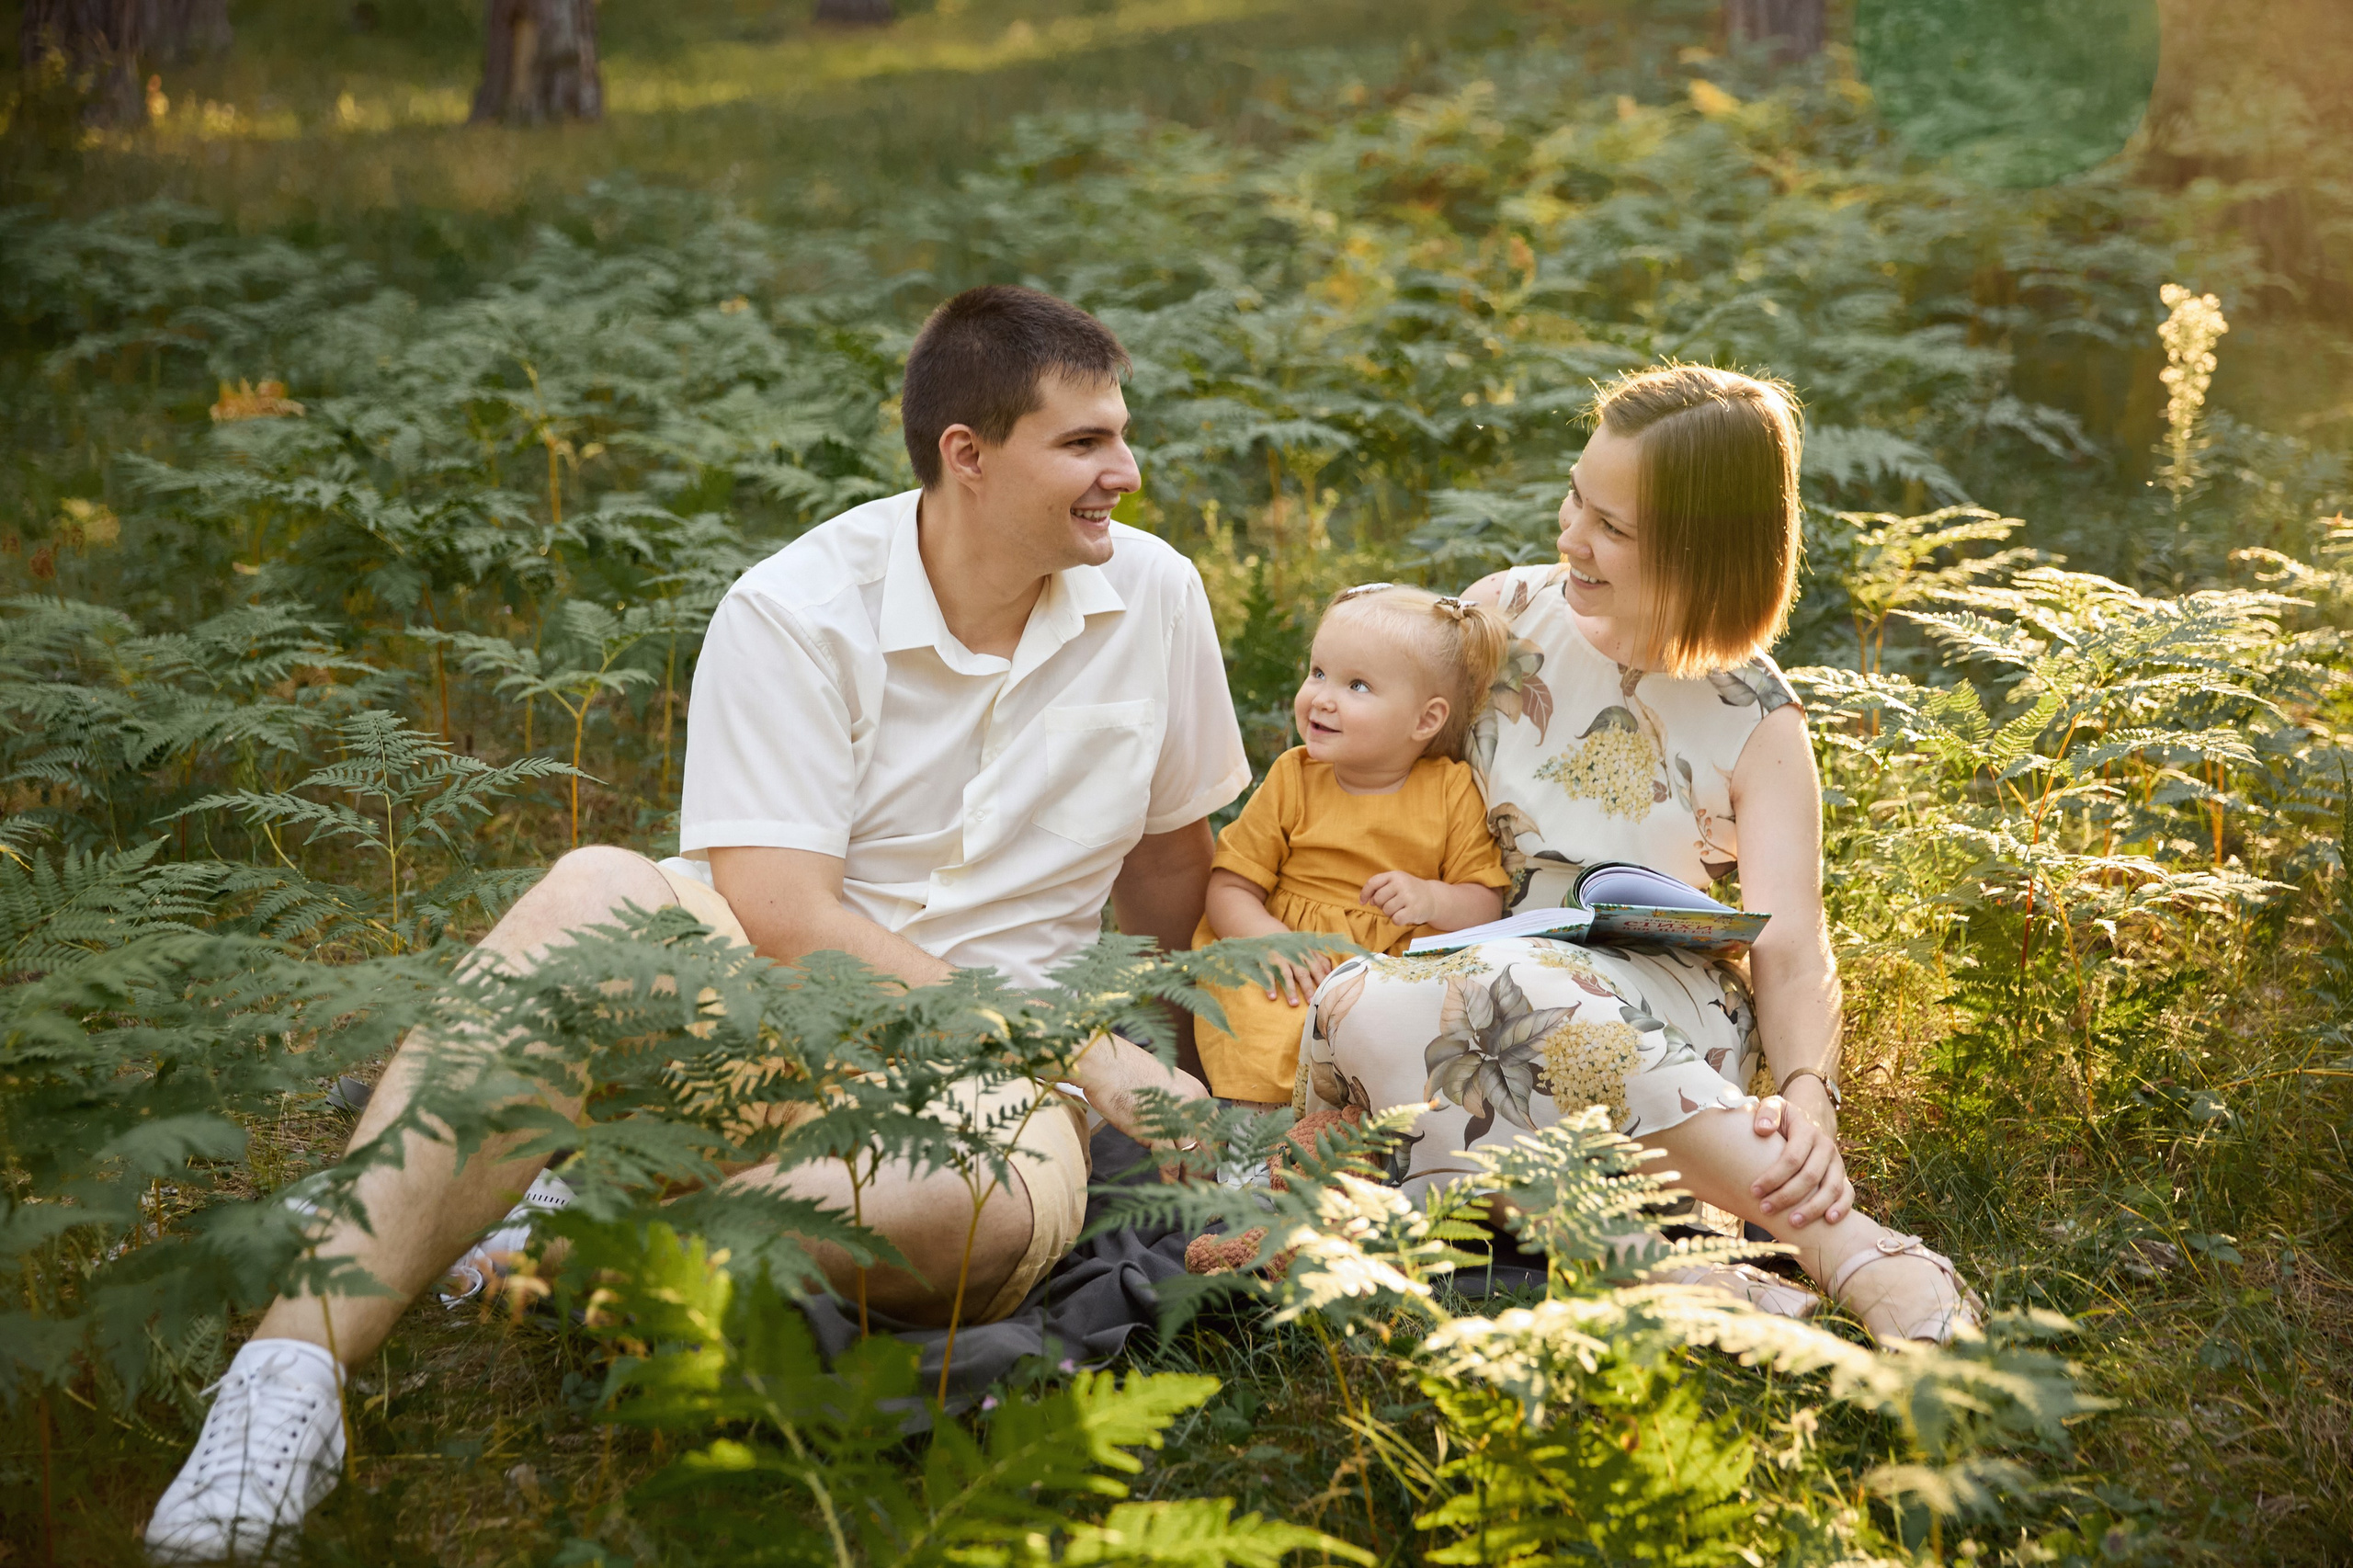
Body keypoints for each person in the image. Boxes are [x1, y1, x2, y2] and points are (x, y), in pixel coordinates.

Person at [143, 286, 1248, 1561]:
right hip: (776, 1018)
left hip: (989, 1095)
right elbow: (781, 914)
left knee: (973, 1209)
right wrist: (1069, 1040)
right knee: (595, 887)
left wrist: (1148, 1049)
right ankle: (286, 1382)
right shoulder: (797, 607)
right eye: (1087, 442)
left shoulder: (1156, 594)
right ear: (968, 453)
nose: (1127, 468)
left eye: (1122, 433)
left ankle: (540, 1221)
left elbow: (1172, 860)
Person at [1294, 364, 1984, 1345]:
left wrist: (1806, 1099)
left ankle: (1850, 1246)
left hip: (1657, 1008)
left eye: (1612, 527)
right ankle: (1680, 1269)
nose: (1571, 535)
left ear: (1704, 552)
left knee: (1497, 990)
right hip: (1467, 967)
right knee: (1361, 1000)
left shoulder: (1757, 717)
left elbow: (1791, 944)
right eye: (1577, 495)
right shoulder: (1501, 618)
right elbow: (1398, 776)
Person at [1190, 584, 1517, 1105]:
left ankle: (1364, 1136)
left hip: (1389, 969)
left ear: (1425, 720)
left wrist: (1432, 899)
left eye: (1357, 685)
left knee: (1411, 1030)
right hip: (1294, 960)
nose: (1321, 696)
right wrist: (1269, 941)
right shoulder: (1293, 778)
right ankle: (1255, 1134)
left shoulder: (1449, 789)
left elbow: (1485, 903)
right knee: (1264, 1013)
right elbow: (1230, 887)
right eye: (1318, 672)